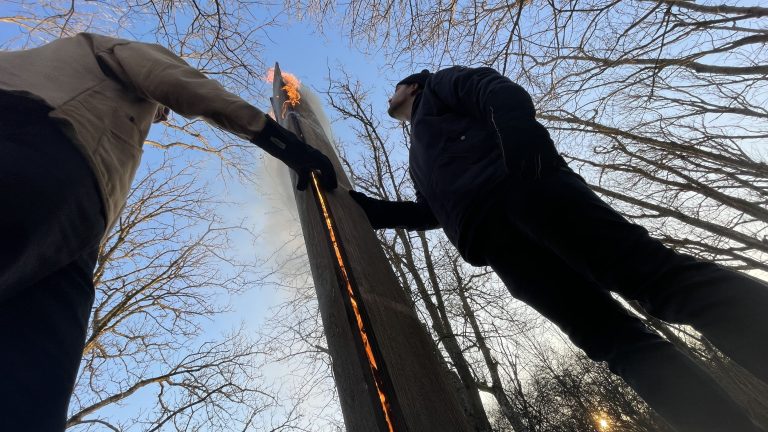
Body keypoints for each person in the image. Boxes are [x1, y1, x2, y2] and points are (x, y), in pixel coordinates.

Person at [349, 67, 768, 432]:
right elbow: (430, 212)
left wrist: (526, 161)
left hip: (529, 192)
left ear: (413, 88)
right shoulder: (416, 158)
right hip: (497, 245)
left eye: (394, 90)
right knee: (613, 343)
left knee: (655, 279)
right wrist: (370, 212)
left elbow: (498, 92)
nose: (390, 97)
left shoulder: (442, 84)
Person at [0, 33, 336, 431]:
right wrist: (277, 139)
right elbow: (175, 82)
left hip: (77, 224)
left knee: (32, 389)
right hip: (36, 140)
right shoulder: (103, 50)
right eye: (162, 113)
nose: (163, 117)